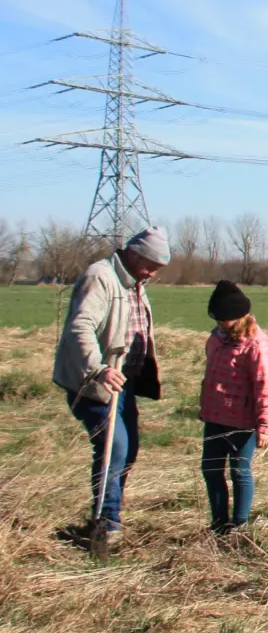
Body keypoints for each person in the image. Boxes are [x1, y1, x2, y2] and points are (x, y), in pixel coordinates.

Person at [53, 226, 170, 538]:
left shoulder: (135, 281)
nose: (153, 274)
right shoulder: (100, 277)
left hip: (122, 383)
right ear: (133, 254)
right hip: (93, 383)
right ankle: (107, 524)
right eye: (151, 266)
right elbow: (81, 327)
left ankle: (108, 512)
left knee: (128, 451)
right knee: (113, 449)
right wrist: (98, 368)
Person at [197, 281, 268, 534]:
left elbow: (266, 386)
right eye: (218, 319)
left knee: (239, 470)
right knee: (211, 469)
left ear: (239, 316)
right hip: (215, 417)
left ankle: (240, 525)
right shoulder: (216, 339)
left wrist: (264, 425)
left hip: (243, 422)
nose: (221, 324)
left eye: (225, 320)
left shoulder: (256, 344)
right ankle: (219, 524)